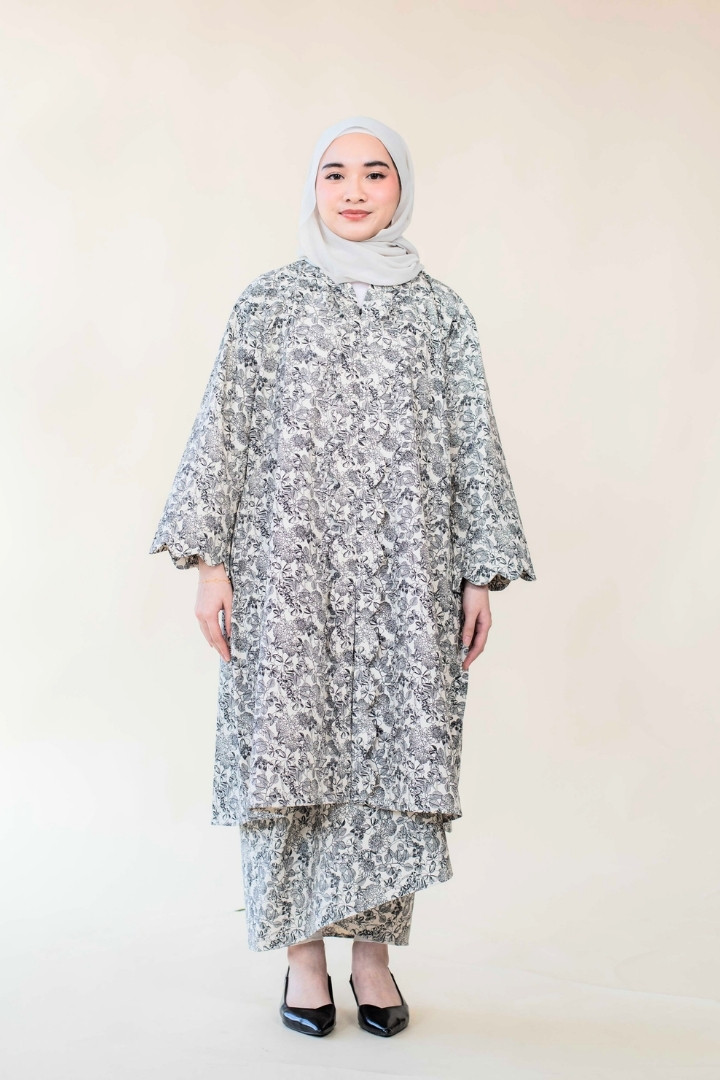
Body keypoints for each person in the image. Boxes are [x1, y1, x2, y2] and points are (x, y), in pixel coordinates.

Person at [149, 115, 536, 1039]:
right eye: (335, 173)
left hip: (407, 575)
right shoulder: (270, 303)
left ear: (402, 189)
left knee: (396, 754)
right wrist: (210, 570)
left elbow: (471, 441)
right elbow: (224, 430)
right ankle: (302, 959)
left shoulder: (441, 313)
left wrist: (477, 576)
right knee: (287, 754)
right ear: (313, 188)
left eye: (374, 173)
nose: (354, 190)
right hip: (288, 575)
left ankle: (373, 959)